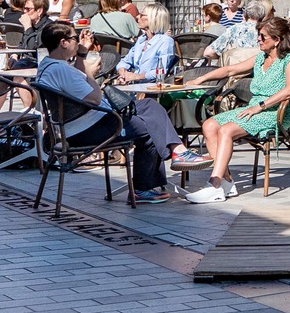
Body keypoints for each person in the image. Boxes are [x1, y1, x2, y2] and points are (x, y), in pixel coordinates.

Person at [34, 21, 189, 203]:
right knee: (149, 129)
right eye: (75, 38)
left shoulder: (48, 65)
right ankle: (143, 187)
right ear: (64, 42)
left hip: (81, 124)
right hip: (86, 129)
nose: (78, 41)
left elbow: (78, 83)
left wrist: (82, 53)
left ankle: (179, 151)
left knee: (149, 105)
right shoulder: (61, 70)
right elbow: (94, 98)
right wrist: (90, 73)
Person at [185, 15, 290, 202]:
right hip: (254, 108)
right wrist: (201, 79)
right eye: (259, 35)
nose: (258, 39)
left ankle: (214, 184)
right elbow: (230, 70)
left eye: (263, 36)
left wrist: (260, 106)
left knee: (226, 130)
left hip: (274, 113)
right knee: (209, 125)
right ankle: (226, 181)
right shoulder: (260, 58)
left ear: (277, 40)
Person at [115, 5, 178, 82]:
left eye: (142, 15)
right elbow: (124, 61)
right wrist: (123, 74)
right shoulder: (142, 40)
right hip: (134, 87)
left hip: (151, 89)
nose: (137, 16)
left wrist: (136, 76)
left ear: (153, 19)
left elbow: (161, 72)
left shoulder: (165, 41)